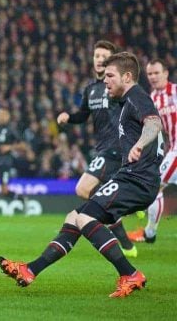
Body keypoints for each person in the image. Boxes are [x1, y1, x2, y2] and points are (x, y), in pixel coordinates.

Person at [0, 52, 163, 298]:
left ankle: (129, 273)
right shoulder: (125, 100)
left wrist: (140, 144)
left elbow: (154, 123)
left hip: (137, 179)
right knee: (74, 216)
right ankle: (31, 270)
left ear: (127, 77)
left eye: (110, 75)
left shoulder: (137, 96)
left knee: (86, 217)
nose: (105, 80)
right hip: (133, 176)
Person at [56, 40, 137, 257]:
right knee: (105, 197)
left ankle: (118, 214)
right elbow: (83, 115)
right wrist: (68, 117)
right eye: (96, 56)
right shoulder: (91, 89)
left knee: (83, 189)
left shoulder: (118, 86)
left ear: (111, 60)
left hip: (117, 148)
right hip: (103, 148)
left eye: (104, 56)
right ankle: (125, 241)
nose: (99, 59)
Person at [128, 59, 172, 243]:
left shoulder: (176, 92)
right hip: (173, 149)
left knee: (155, 186)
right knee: (155, 186)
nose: (153, 77)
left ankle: (150, 233)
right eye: (150, 74)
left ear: (166, 73)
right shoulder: (152, 98)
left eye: (156, 73)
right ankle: (149, 232)